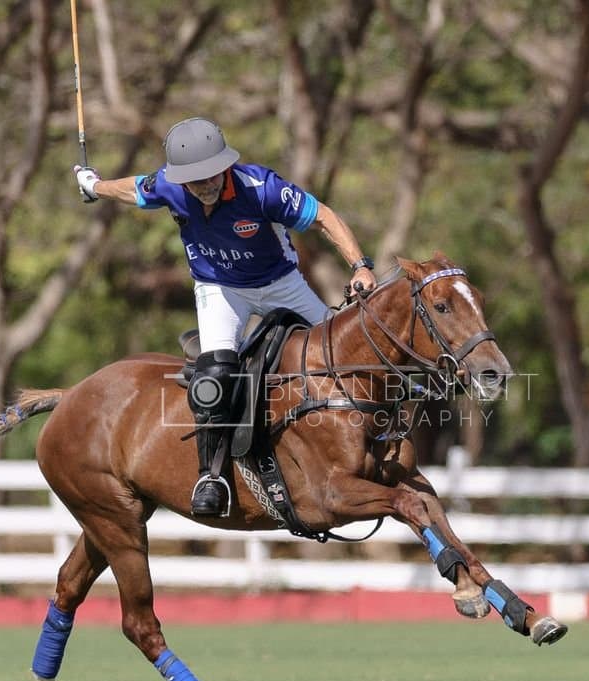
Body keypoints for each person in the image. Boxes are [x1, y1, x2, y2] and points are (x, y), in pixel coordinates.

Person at [74, 117, 377, 517]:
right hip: (220, 289)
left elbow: (323, 216)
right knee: (215, 375)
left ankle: (378, 434)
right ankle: (211, 476)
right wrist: (94, 186)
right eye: (195, 180)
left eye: (213, 174)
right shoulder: (169, 186)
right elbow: (134, 189)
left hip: (281, 283)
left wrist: (360, 265)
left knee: (340, 357)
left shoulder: (262, 188)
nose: (206, 185)